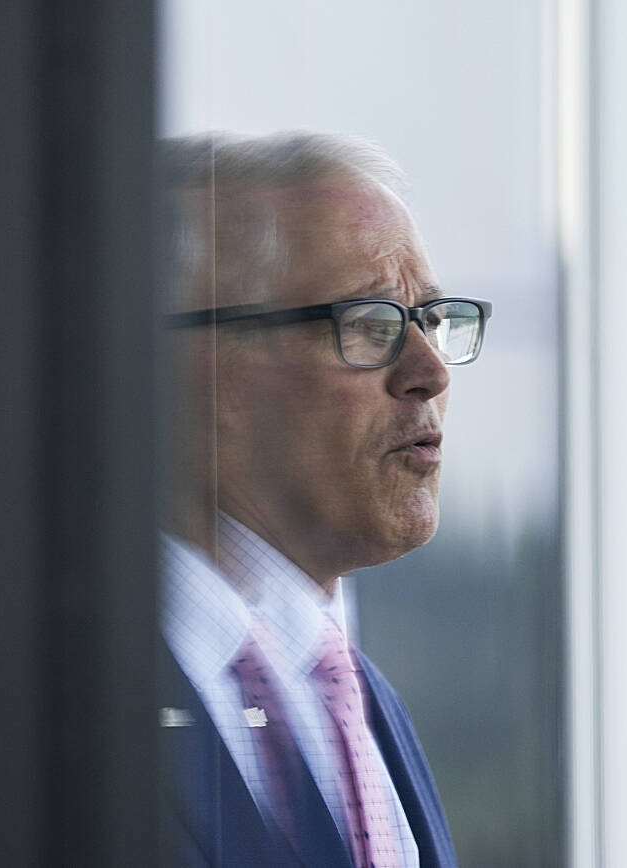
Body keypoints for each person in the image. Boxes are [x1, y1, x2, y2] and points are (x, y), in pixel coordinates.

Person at [159, 132, 488, 868]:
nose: (430, 371)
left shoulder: (347, 692)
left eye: (431, 318)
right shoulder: (7, 709)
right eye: (371, 323)